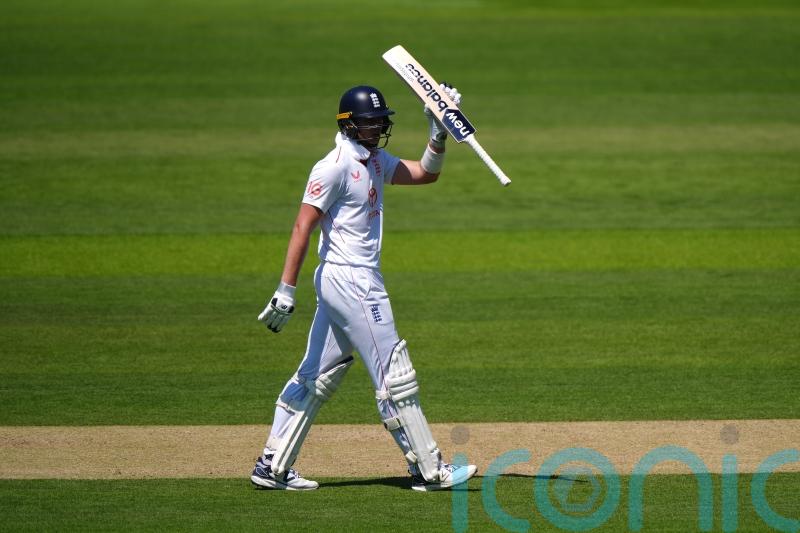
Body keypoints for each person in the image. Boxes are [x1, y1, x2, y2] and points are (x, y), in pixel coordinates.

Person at [251, 84, 477, 491]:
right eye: (369, 123)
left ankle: (272, 466)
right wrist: (286, 289)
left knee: (317, 375)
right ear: (348, 124)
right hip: (351, 279)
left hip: (351, 279)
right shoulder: (334, 165)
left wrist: (438, 133)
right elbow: (304, 224)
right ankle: (429, 469)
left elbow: (426, 174)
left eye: (380, 122)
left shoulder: (373, 158)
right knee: (394, 373)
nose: (376, 129)